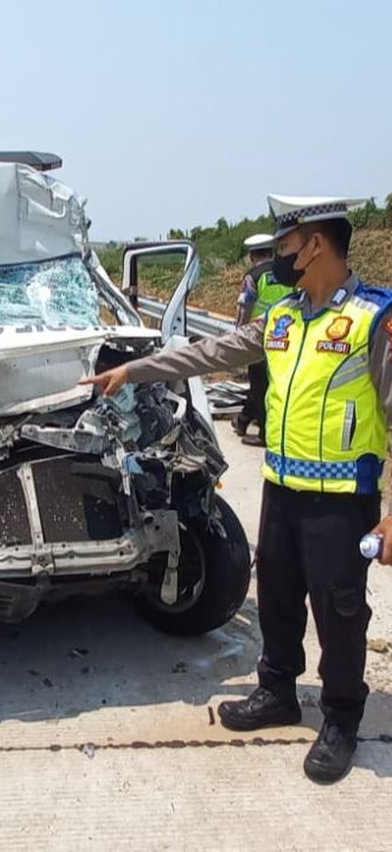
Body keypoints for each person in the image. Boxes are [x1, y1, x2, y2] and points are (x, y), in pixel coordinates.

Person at [80, 194, 392, 784]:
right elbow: (207, 352)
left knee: (339, 610)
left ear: (315, 244)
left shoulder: (374, 319)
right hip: (282, 489)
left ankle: (342, 717)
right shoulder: (282, 319)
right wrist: (132, 369)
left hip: (344, 500)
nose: (277, 257)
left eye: (283, 246)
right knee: (275, 595)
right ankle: (277, 690)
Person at [235, 233, 292, 446]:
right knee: (273, 383)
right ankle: (243, 419)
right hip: (287, 336)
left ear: (252, 256)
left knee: (259, 384)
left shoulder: (254, 276)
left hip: (258, 337)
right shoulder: (288, 273)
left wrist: (239, 334)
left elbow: (245, 306)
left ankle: (264, 434)